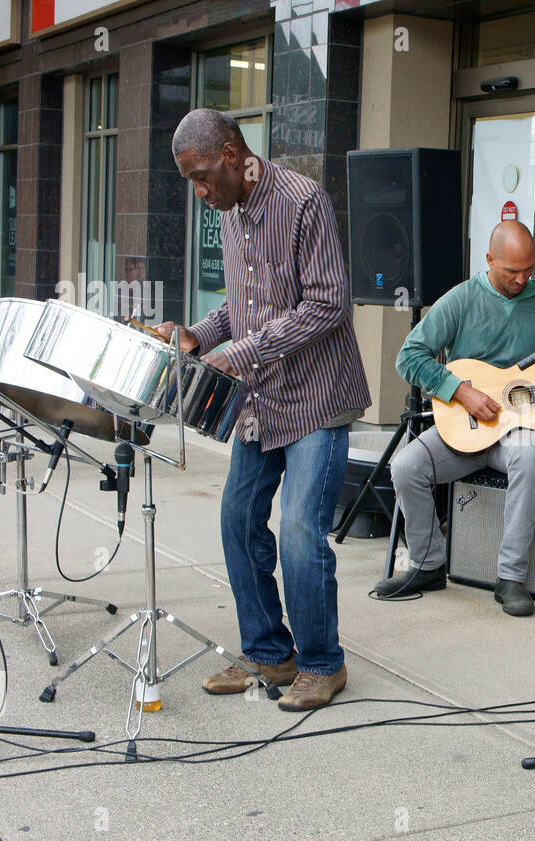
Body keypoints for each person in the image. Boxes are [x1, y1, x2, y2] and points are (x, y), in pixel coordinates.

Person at [156, 108, 371, 711]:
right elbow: (242, 308)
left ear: (231, 154)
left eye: (201, 177)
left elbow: (329, 306)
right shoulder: (230, 213)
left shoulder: (303, 201)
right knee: (237, 519)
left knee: (302, 532)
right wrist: (199, 335)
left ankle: (323, 663)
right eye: (189, 182)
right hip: (261, 401)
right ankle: (270, 655)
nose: (199, 193)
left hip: (316, 399)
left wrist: (240, 352)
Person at [375, 221, 535, 616]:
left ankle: (510, 578)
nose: (521, 279)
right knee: (405, 467)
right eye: (511, 271)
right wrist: (461, 391)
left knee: (531, 452)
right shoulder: (461, 299)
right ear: (489, 260)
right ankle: (428, 565)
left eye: (529, 269)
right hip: (461, 434)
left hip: (514, 433)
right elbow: (408, 357)